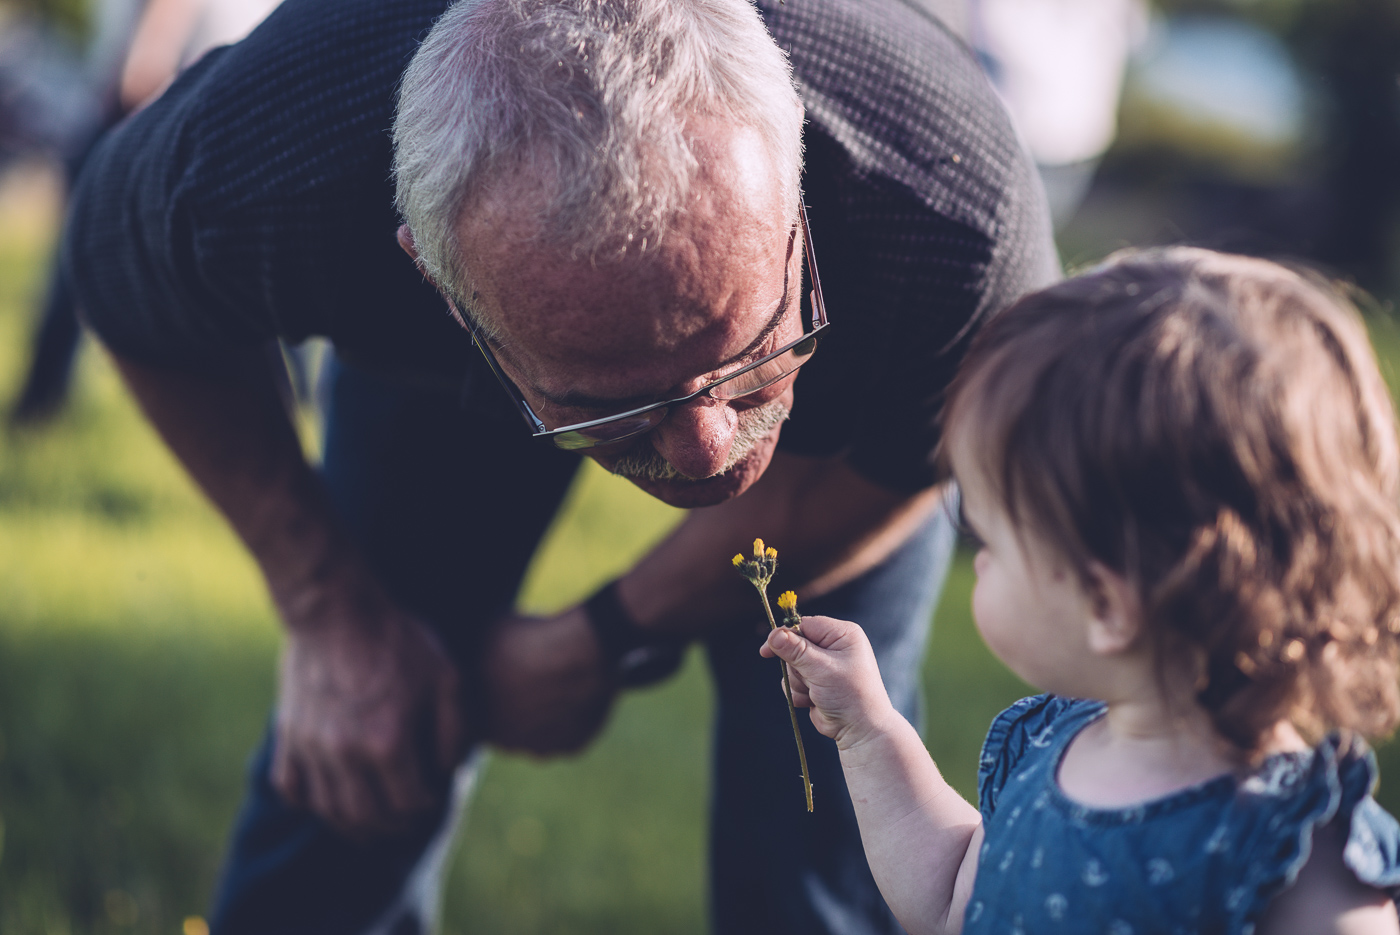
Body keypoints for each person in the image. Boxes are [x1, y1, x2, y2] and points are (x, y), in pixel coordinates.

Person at [61, 0, 1057, 931]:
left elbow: (904, 456)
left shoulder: (946, 202)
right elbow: (125, 285)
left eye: (742, 360)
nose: (708, 451)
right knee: (371, 712)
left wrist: (607, 631)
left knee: (825, 770)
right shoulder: (269, 162)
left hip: (840, 401)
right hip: (449, 381)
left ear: (792, 202)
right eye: (619, 404)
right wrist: (327, 605)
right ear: (442, 283)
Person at [763, 247, 1400, 934]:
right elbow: (952, 899)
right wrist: (868, 730)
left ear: (1108, 606)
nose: (977, 563)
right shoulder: (1050, 745)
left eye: (994, 543)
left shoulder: (1287, 851)